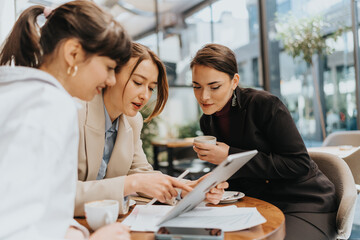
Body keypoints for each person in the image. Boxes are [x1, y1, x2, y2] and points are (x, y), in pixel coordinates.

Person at [0, 1, 132, 239]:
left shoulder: (19, 93)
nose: (112, 80)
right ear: (73, 53)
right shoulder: (48, 104)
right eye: (109, 67)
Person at [191, 44, 337, 240]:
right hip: (257, 203)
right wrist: (216, 184)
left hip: (303, 202)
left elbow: (299, 164)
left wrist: (229, 155)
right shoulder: (207, 120)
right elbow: (236, 175)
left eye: (214, 86)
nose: (203, 96)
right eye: (196, 86)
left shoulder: (265, 105)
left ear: (234, 81)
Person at [75, 42, 228, 216]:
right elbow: (55, 194)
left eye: (151, 88)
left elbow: (141, 174)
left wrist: (185, 189)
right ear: (111, 75)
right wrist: (131, 183)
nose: (145, 96)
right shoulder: (75, 112)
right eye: (138, 82)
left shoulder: (132, 121)